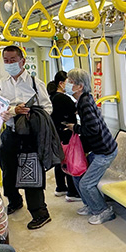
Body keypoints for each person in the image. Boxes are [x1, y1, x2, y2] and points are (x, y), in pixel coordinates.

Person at [0, 45, 53, 230]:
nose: (10, 64)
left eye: (13, 60)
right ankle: (15, 201)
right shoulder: (2, 84)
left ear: (23, 61)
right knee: (8, 171)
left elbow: (48, 108)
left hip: (30, 137)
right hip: (10, 134)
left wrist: (32, 114)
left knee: (32, 175)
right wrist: (14, 110)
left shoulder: (36, 83)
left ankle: (40, 213)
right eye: (6, 60)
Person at [65, 68, 118, 225]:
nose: (67, 84)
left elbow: (92, 129)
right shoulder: (83, 100)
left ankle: (103, 211)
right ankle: (91, 205)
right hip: (99, 149)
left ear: (79, 86)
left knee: (86, 184)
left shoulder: (85, 103)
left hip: (105, 151)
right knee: (78, 176)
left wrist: (74, 128)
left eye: (70, 82)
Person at [49, 71, 81, 202]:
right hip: (66, 132)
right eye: (69, 82)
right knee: (70, 161)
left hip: (56, 133)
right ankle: (72, 192)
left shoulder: (51, 97)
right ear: (61, 84)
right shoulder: (63, 98)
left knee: (60, 160)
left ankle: (60, 187)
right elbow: (74, 111)